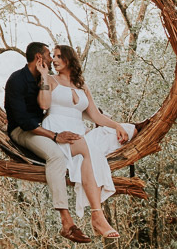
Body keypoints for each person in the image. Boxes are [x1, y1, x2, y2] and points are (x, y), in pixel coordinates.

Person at [38, 44, 136, 239]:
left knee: (129, 130)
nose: (54, 60)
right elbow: (44, 104)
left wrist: (116, 125)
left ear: (69, 59)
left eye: (58, 56)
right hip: (59, 130)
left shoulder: (81, 85)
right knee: (89, 151)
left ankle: (96, 214)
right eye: (53, 57)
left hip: (81, 130)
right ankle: (97, 215)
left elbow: (95, 117)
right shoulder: (49, 79)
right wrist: (43, 75)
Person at [5, 42, 91, 244]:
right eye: (48, 55)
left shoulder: (42, 78)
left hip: (42, 127)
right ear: (39, 58)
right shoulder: (16, 80)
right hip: (23, 131)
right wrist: (54, 135)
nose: (52, 60)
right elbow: (25, 123)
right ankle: (67, 223)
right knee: (56, 157)